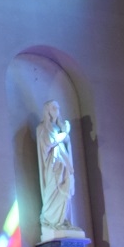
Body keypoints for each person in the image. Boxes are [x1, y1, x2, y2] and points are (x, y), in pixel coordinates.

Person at [36, 100, 79, 239]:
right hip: (53, 166)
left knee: (66, 189)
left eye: (58, 108)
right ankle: (51, 220)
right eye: (54, 108)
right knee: (53, 189)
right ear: (47, 111)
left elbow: (66, 144)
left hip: (64, 164)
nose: (57, 110)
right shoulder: (42, 128)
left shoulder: (59, 127)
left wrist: (65, 134)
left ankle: (62, 220)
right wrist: (65, 133)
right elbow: (49, 142)